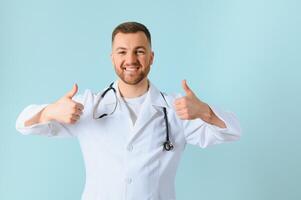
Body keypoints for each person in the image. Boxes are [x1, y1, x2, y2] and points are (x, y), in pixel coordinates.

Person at [16, 21, 241, 200]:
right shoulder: (88, 106)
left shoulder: (177, 110)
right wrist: (49, 112)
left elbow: (232, 131)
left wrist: (205, 112)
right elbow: (23, 125)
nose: (130, 59)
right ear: (112, 57)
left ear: (151, 57)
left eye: (139, 51)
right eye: (122, 52)